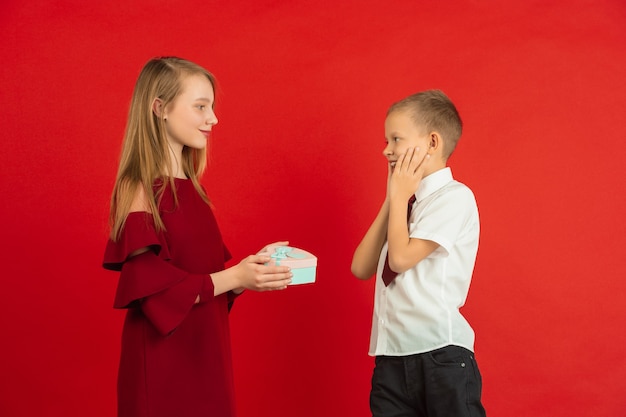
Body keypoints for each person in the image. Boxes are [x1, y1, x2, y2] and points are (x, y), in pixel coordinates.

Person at [102, 56, 293, 417]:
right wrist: (234, 276)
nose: (213, 118)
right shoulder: (138, 187)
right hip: (164, 366)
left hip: (207, 353)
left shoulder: (195, 190)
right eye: (200, 106)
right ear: (160, 108)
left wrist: (247, 275)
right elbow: (154, 289)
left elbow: (202, 282)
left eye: (212, 107)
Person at [351, 90, 486, 417]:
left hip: (440, 357)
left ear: (433, 143)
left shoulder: (454, 198)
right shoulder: (403, 205)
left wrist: (399, 198)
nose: (386, 150)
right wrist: (392, 199)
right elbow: (361, 267)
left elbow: (400, 259)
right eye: (386, 140)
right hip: (391, 359)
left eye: (396, 139)